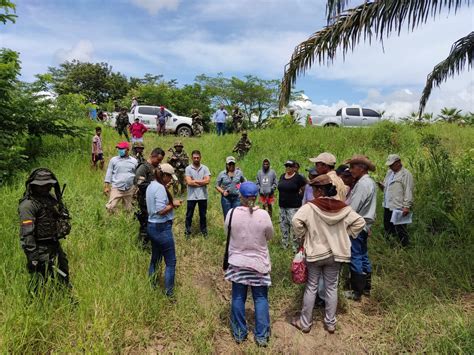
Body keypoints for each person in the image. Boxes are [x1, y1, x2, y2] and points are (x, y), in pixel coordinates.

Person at [291, 174, 365, 334]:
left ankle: (305, 323)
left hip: (315, 253)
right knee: (332, 287)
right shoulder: (343, 207)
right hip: (336, 254)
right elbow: (361, 222)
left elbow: (296, 220)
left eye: (313, 189)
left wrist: (304, 234)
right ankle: (330, 323)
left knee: (311, 286)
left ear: (318, 190)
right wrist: (347, 234)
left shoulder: (310, 207)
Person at [224, 181, 274, 347]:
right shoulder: (264, 215)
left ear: (241, 197)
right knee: (260, 298)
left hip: (238, 263)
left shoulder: (231, 214)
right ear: (256, 197)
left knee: (238, 297)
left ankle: (239, 333)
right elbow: (269, 236)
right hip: (259, 264)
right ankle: (261, 336)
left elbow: (228, 233)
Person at [18, 168, 72, 293]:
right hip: (39, 248)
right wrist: (33, 257)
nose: (44, 188)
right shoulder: (28, 205)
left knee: (62, 273)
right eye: (41, 186)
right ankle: (32, 304)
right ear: (33, 185)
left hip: (54, 245)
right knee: (38, 280)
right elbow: (27, 233)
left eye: (48, 185)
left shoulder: (51, 199)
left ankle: (65, 298)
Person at [344, 155, 377, 301]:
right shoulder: (369, 182)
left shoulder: (362, 184)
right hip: (364, 224)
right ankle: (366, 288)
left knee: (355, 255)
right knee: (363, 255)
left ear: (361, 168)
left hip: (357, 225)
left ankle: (356, 291)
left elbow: (353, 208)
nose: (350, 170)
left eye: (353, 167)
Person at [146, 164, 181, 297]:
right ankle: (169, 294)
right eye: (169, 177)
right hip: (161, 228)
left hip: (152, 225)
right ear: (164, 176)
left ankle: (152, 284)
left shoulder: (152, 185)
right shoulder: (160, 188)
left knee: (156, 258)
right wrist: (173, 204)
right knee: (171, 262)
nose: (171, 180)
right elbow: (161, 210)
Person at [378, 154, 414, 247]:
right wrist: (382, 186)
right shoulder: (389, 173)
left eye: (392, 165)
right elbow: (387, 187)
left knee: (400, 229)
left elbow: (408, 190)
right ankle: (391, 245)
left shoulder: (406, 174)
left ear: (398, 163)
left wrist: (406, 206)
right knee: (388, 227)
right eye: (389, 165)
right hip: (388, 204)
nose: (390, 167)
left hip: (399, 206)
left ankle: (404, 246)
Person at [135, 148, 166, 246]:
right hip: (144, 200)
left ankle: (150, 243)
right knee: (145, 223)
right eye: (158, 160)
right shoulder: (144, 167)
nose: (159, 162)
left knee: (152, 222)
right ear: (152, 156)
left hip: (153, 200)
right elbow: (139, 182)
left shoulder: (155, 167)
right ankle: (142, 246)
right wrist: (154, 186)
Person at [277, 160, 306, 251]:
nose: (288, 168)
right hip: (282, 206)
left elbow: (303, 189)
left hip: (293, 207)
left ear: (294, 168)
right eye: (286, 166)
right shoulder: (282, 176)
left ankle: (295, 247)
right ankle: (285, 244)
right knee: (283, 226)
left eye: (290, 166)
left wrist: (301, 198)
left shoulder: (298, 178)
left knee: (293, 226)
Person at [104, 142, 138, 213]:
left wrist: (137, 187)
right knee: (110, 206)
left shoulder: (134, 161)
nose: (120, 150)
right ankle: (114, 218)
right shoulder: (114, 160)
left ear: (127, 149)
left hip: (129, 188)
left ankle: (125, 221)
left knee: (128, 209)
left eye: (122, 149)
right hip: (117, 187)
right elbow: (109, 173)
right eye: (119, 149)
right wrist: (106, 186)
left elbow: (136, 174)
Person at [184, 150, 211, 238]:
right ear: (192, 158)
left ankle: (204, 232)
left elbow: (207, 181)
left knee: (203, 215)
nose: (196, 159)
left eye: (197, 157)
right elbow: (189, 182)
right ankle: (187, 232)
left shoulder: (205, 168)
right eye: (194, 158)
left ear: (200, 158)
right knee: (189, 215)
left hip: (202, 196)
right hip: (191, 196)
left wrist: (194, 180)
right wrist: (201, 182)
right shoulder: (188, 168)